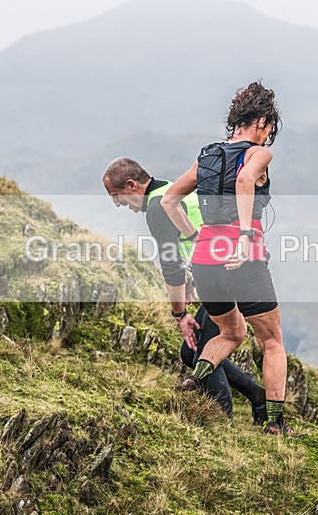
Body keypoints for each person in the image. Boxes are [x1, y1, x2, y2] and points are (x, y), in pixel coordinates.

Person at [161, 81, 292, 435]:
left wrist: (192, 235)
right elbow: (246, 179)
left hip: (205, 259)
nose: (267, 139)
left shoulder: (206, 156)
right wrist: (246, 236)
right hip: (241, 257)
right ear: (262, 121)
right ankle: (275, 424)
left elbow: (168, 200)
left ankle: (194, 380)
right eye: (269, 131)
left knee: (231, 332)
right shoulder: (257, 154)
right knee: (272, 342)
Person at [102, 158, 267, 423]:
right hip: (226, 268)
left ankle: (221, 422)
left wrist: (180, 315)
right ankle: (257, 395)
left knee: (203, 349)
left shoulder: (157, 207)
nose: (117, 203)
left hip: (226, 272)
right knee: (189, 352)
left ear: (131, 185)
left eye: (116, 195)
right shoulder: (166, 189)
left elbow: (171, 265)